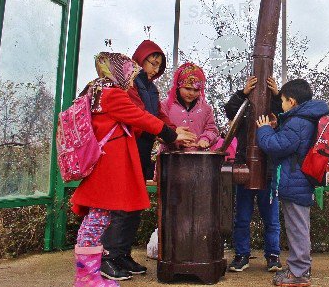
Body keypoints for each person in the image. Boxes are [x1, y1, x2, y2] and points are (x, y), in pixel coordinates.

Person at [70, 52, 195, 287]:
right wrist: (170, 133)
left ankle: (90, 275)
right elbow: (138, 116)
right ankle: (87, 277)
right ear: (118, 72)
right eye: (129, 74)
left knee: (98, 218)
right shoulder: (112, 94)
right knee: (98, 219)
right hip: (108, 167)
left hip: (106, 164)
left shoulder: (97, 90)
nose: (130, 80)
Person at [99, 40, 173, 280]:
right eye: (152, 62)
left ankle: (122, 254)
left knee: (135, 203)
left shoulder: (150, 88)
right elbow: (139, 115)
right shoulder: (124, 88)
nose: (154, 69)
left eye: (158, 65)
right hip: (123, 150)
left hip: (141, 150)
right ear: (139, 60)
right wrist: (169, 132)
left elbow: (158, 114)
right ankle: (108, 256)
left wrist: (174, 131)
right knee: (121, 204)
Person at [256, 78, 329, 287]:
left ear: (293, 101)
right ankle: (300, 267)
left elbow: (276, 145)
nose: (281, 105)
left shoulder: (298, 122)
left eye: (283, 101)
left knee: (297, 227)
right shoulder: (305, 118)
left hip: (295, 182)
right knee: (300, 226)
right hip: (300, 181)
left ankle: (298, 274)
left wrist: (264, 130)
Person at [225, 76, 283, 273]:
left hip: (268, 173)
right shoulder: (245, 108)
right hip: (245, 171)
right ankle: (242, 255)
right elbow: (229, 110)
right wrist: (243, 93)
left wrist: (277, 95)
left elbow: (286, 115)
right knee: (241, 217)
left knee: (272, 219)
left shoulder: (274, 109)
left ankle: (273, 256)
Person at [161, 62, 219, 150]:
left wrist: (206, 139)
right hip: (169, 157)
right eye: (187, 88)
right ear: (178, 86)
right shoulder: (165, 106)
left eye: (196, 90)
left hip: (196, 158)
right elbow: (159, 130)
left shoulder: (206, 109)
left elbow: (212, 129)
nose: (191, 93)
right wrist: (175, 138)